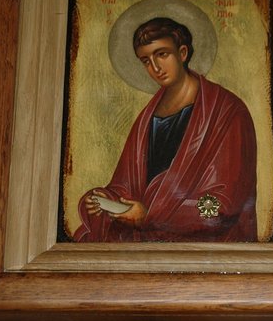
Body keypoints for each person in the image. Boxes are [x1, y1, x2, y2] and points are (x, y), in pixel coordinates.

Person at [74, 17, 257, 242]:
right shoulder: (147, 118)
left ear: (182, 53)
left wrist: (152, 216)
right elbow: (128, 186)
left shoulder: (226, 112)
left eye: (162, 54)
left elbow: (222, 206)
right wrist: (108, 199)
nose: (155, 68)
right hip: (147, 242)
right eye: (146, 60)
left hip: (202, 247)